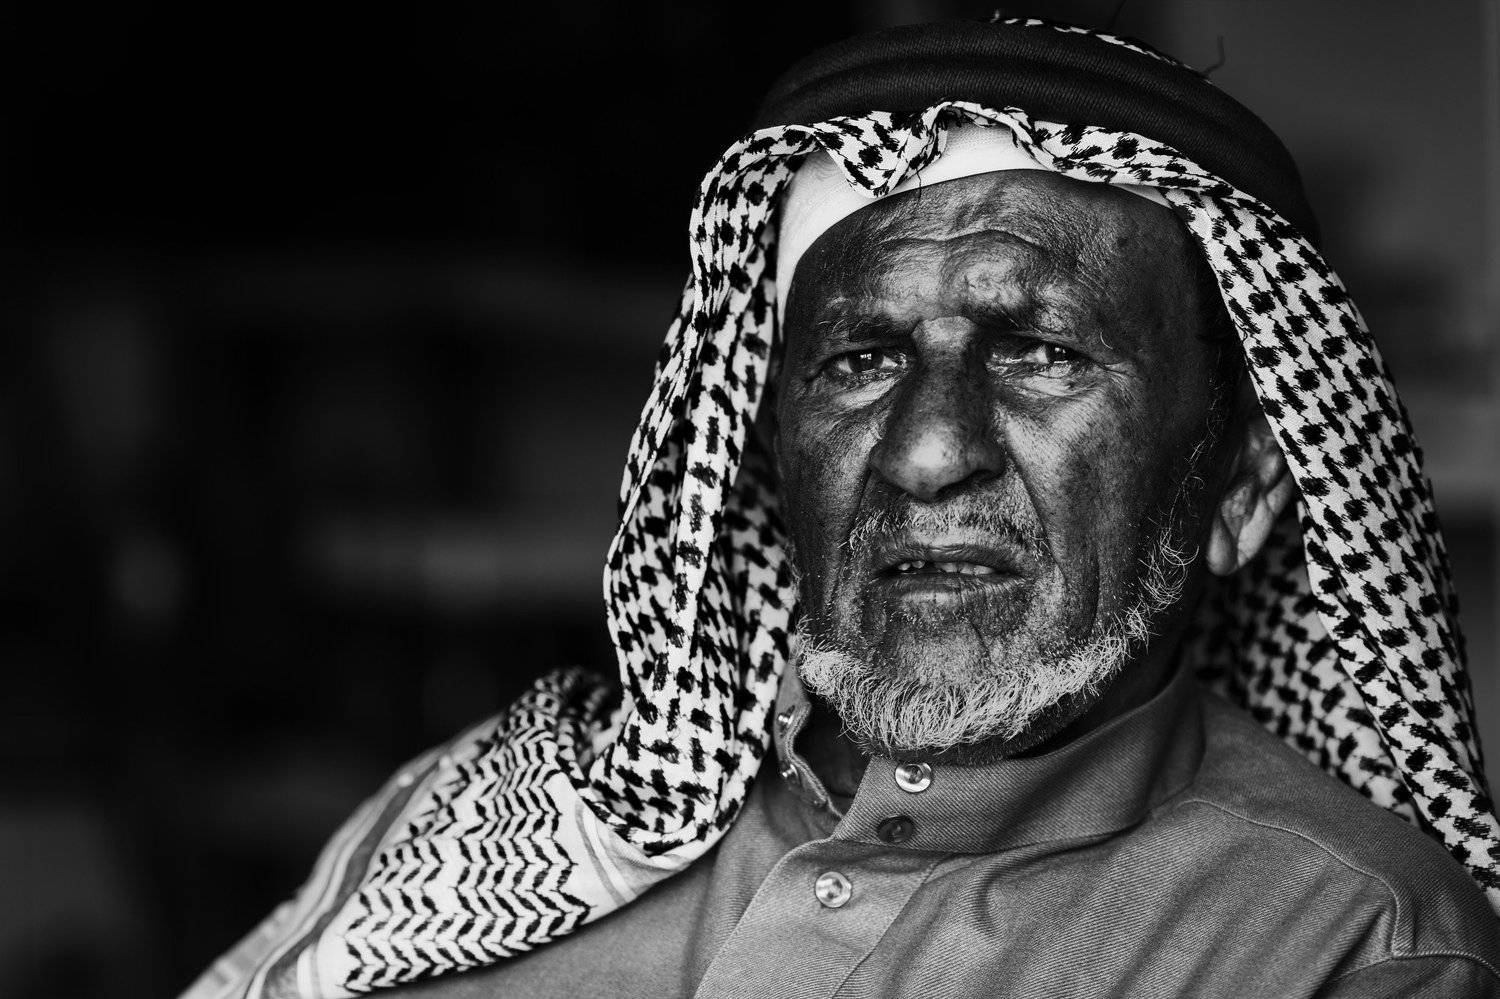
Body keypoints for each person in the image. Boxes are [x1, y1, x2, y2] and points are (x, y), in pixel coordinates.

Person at [185, 16, 1500, 999]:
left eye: (1041, 353)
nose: (928, 456)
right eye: (860, 363)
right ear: (767, 460)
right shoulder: (483, 824)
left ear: (1243, 482)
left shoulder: (1345, 943)